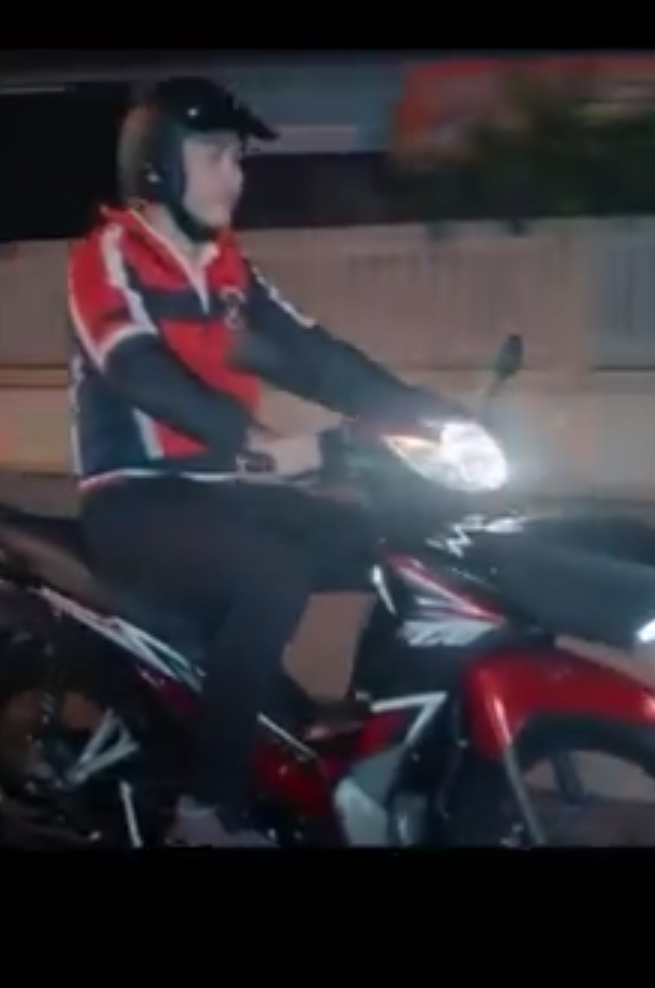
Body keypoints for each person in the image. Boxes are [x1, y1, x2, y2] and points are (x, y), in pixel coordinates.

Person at [66, 77, 440, 846]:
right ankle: (207, 808)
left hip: (223, 491)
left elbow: (311, 354)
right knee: (274, 575)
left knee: (394, 539)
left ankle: (362, 751)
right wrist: (256, 442)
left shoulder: (230, 271)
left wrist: (420, 410)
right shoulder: (109, 255)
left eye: (237, 159)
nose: (235, 177)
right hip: (136, 501)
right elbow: (137, 367)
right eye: (215, 156)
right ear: (159, 164)